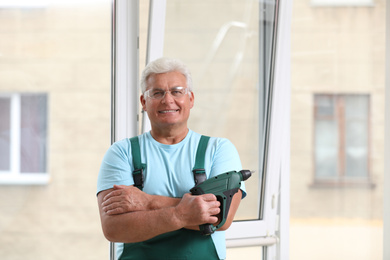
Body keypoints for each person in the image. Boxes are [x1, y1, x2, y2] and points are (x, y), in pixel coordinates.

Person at [97, 57, 247, 260]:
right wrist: (184, 213)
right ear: (144, 101)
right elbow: (114, 229)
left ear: (191, 99)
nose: (168, 100)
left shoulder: (219, 149)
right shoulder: (121, 153)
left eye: (177, 91)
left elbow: (222, 219)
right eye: (157, 93)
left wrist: (148, 202)